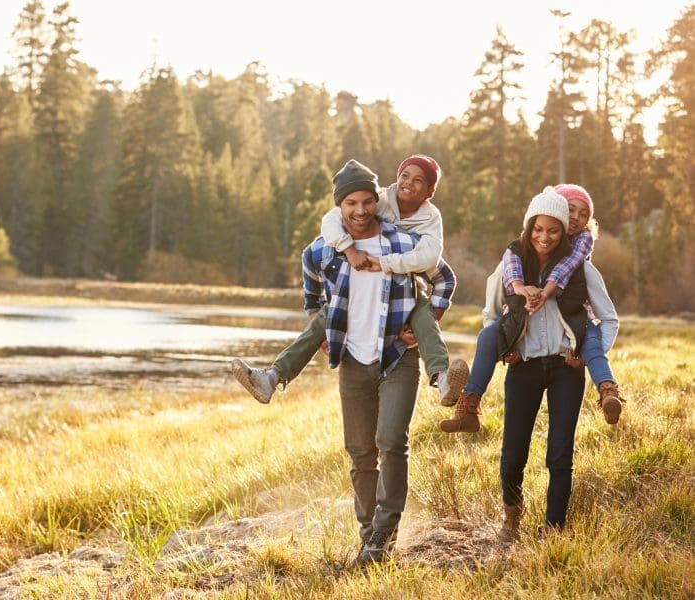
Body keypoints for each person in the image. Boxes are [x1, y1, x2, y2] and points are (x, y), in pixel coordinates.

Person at [298, 159, 454, 565]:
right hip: (352, 359)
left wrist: (424, 323)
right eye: (351, 203)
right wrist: (318, 324)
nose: (361, 210)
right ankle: (369, 538)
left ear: (376, 203)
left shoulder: (402, 243)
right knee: (360, 452)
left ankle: (383, 537)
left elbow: (444, 277)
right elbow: (310, 279)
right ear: (340, 207)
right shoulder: (326, 248)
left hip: (397, 356)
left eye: (368, 201)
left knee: (391, 443)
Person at [231, 155, 468, 407]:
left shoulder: (429, 221)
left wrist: (424, 321)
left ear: (430, 191)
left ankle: (442, 378)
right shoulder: (378, 200)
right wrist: (349, 249)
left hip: (407, 290)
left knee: (423, 314)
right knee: (327, 314)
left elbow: (434, 261)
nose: (408, 183)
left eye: (418, 180)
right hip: (358, 293)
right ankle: (271, 378)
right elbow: (332, 219)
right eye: (404, 175)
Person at [482, 188, 619, 539]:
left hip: (565, 369)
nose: (546, 235)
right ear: (532, 227)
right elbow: (490, 315)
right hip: (523, 367)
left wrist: (587, 352)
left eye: (557, 228)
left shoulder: (582, 270)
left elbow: (609, 319)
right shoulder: (512, 264)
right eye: (540, 229)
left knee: (559, 452)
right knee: (513, 451)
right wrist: (503, 348)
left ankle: (554, 527)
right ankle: (512, 518)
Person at [439, 183, 625, 433]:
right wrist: (517, 292)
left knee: (591, 341)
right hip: (524, 337)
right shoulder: (518, 251)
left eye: (584, 215)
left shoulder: (580, 248)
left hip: (574, 323)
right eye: (571, 210)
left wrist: (545, 291)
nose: (576, 219)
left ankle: (608, 391)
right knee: (487, 336)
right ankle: (468, 404)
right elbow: (504, 278)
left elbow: (566, 268)